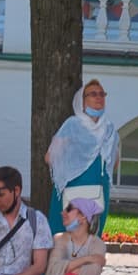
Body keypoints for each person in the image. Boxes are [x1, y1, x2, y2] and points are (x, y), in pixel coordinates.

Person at [45, 79, 119, 236]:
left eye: (102, 94)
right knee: (67, 235)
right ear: (82, 101)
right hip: (73, 186)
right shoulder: (72, 125)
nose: (99, 97)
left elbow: (114, 161)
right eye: (93, 94)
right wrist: (74, 166)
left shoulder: (109, 129)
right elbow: (50, 157)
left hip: (99, 189)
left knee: (92, 235)